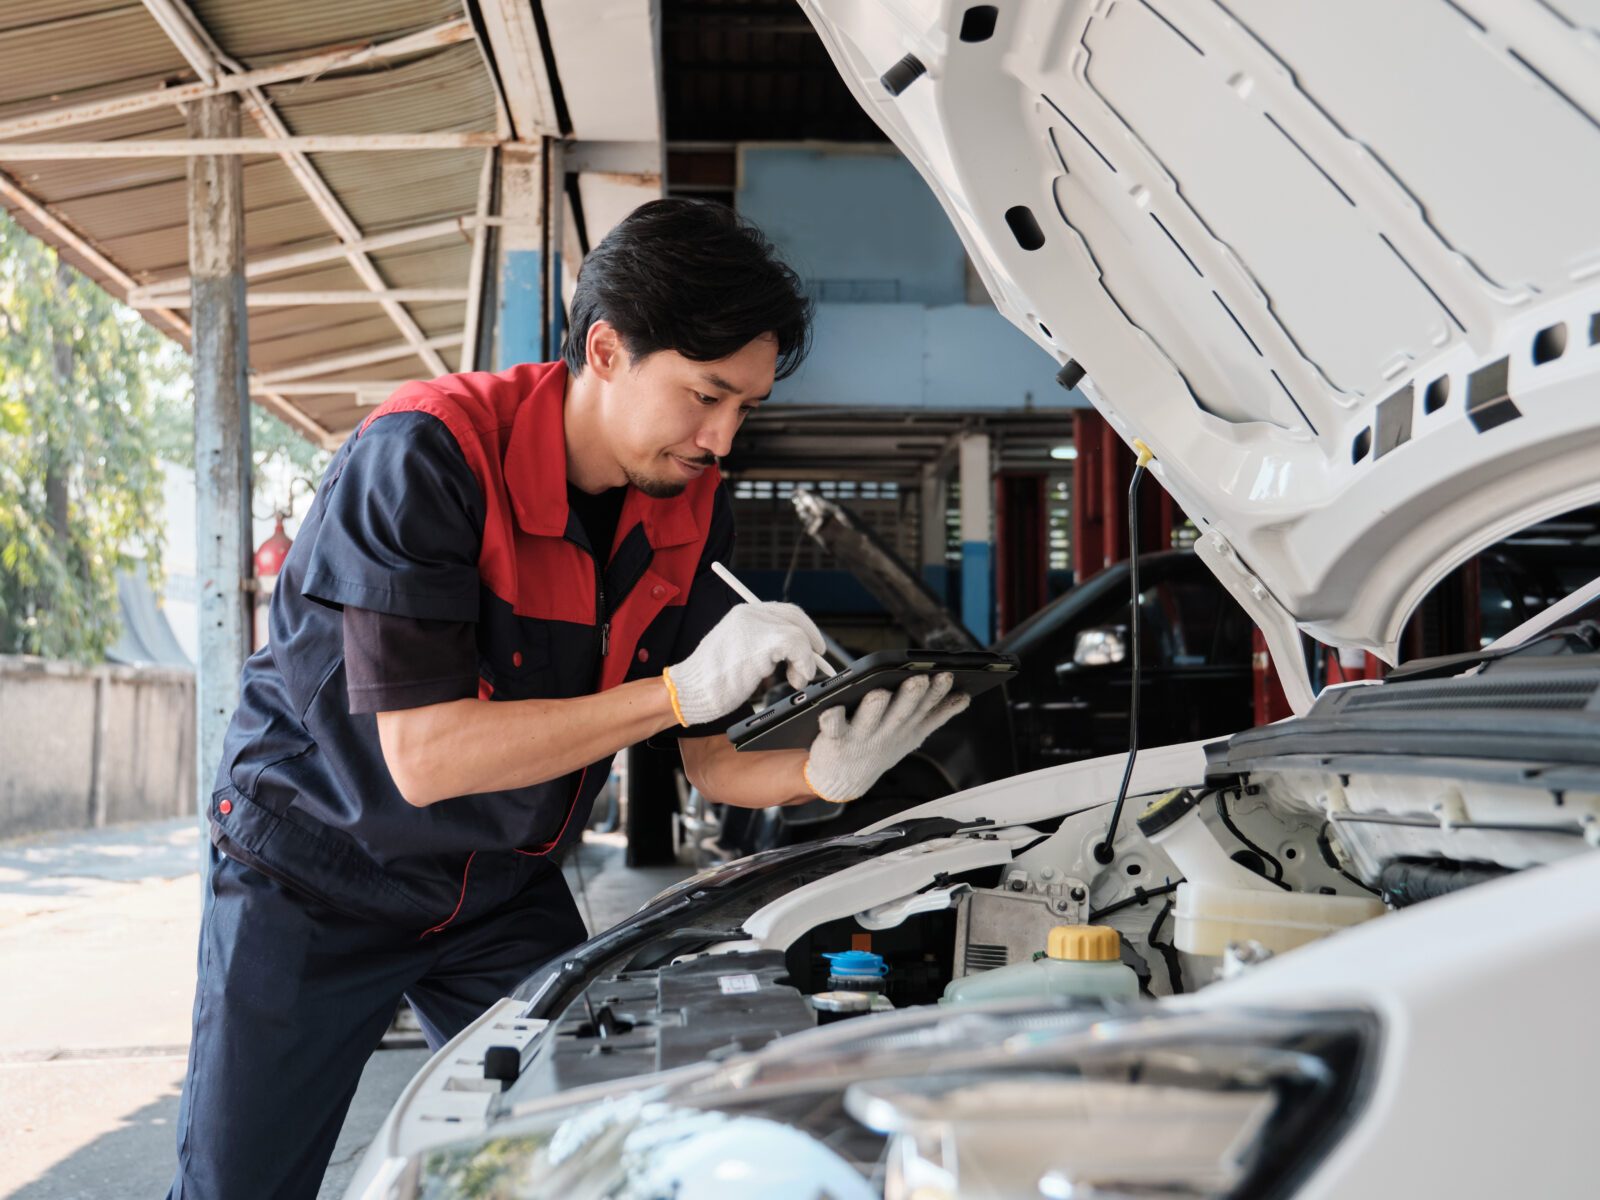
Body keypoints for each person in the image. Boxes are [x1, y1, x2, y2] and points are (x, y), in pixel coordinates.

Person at [167, 198, 969, 1199]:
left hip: (498, 890)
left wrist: (824, 773)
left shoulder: (686, 504)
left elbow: (710, 761)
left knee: (588, 1163)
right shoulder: (423, 459)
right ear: (604, 349)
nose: (721, 440)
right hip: (319, 875)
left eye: (744, 409)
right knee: (242, 1185)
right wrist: (672, 692)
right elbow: (427, 759)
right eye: (704, 395)